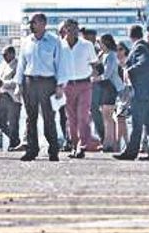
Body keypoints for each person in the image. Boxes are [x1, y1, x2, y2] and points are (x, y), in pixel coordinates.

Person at [15, 12, 64, 162]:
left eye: (34, 22)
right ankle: (32, 150)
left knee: (49, 117)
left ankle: (53, 150)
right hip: (30, 81)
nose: (31, 26)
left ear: (43, 24)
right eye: (30, 23)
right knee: (31, 118)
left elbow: (60, 64)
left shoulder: (54, 41)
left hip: (47, 82)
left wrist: (60, 85)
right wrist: (19, 84)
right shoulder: (26, 42)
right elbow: (21, 64)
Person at [116, 25, 149, 161]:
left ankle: (131, 152)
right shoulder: (145, 46)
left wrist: (129, 70)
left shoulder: (139, 47)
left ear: (130, 35)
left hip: (139, 91)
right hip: (145, 90)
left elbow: (144, 63)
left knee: (137, 123)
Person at [58, 18, 99, 157]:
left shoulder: (87, 45)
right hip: (68, 85)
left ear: (78, 30)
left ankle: (82, 146)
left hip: (84, 84)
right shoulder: (60, 46)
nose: (71, 31)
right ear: (64, 30)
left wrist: (93, 77)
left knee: (83, 116)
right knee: (71, 118)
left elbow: (95, 64)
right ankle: (74, 145)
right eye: (68, 28)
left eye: (74, 29)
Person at [97, 34, 127, 154]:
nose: (99, 46)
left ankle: (110, 143)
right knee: (108, 117)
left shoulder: (110, 56)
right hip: (109, 87)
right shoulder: (106, 55)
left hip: (112, 87)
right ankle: (110, 142)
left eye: (100, 43)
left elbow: (107, 74)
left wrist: (94, 79)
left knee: (108, 116)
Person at [0, 44, 21, 152]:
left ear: (12, 54)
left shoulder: (18, 65)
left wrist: (3, 83)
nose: (4, 57)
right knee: (0, 121)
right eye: (2, 55)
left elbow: (16, 81)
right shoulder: (2, 64)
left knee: (13, 122)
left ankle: (13, 143)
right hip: (2, 96)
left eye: (6, 54)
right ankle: (15, 139)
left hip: (13, 97)